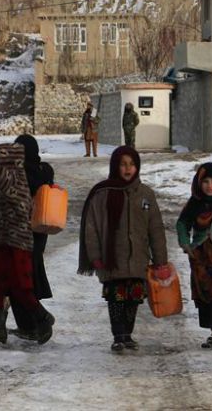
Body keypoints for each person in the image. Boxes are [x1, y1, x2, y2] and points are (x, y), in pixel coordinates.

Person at [78, 146, 169, 352]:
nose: (128, 169)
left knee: (133, 299)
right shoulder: (102, 194)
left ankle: (127, 334)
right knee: (116, 298)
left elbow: (155, 228)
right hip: (113, 259)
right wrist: (95, 256)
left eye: (132, 164)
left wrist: (160, 260)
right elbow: (91, 228)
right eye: (123, 164)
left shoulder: (146, 194)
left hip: (138, 259)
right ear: (115, 166)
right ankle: (118, 335)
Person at [0, 143, 55, 345]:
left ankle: (43, 317)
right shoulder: (8, 179)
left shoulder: (13, 179)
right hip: (2, 241)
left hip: (17, 242)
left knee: (20, 286)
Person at [176, 162, 212, 350]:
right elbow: (182, 223)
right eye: (206, 181)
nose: (210, 186)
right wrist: (186, 243)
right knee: (205, 293)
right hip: (201, 256)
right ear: (199, 183)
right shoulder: (194, 203)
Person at [10, 134, 55, 340]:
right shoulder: (45, 170)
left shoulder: (23, 173)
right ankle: (30, 325)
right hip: (40, 230)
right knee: (29, 277)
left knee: (19, 281)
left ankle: (33, 324)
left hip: (22, 232)